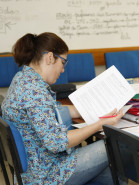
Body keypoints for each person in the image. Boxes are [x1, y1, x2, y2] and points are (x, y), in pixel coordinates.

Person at [1, 32, 124, 185]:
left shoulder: (23, 79)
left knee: (113, 175)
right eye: (63, 62)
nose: (63, 70)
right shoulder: (34, 92)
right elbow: (57, 143)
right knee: (116, 145)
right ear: (50, 57)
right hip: (46, 175)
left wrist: (88, 109)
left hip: (36, 170)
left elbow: (53, 109)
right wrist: (99, 124)